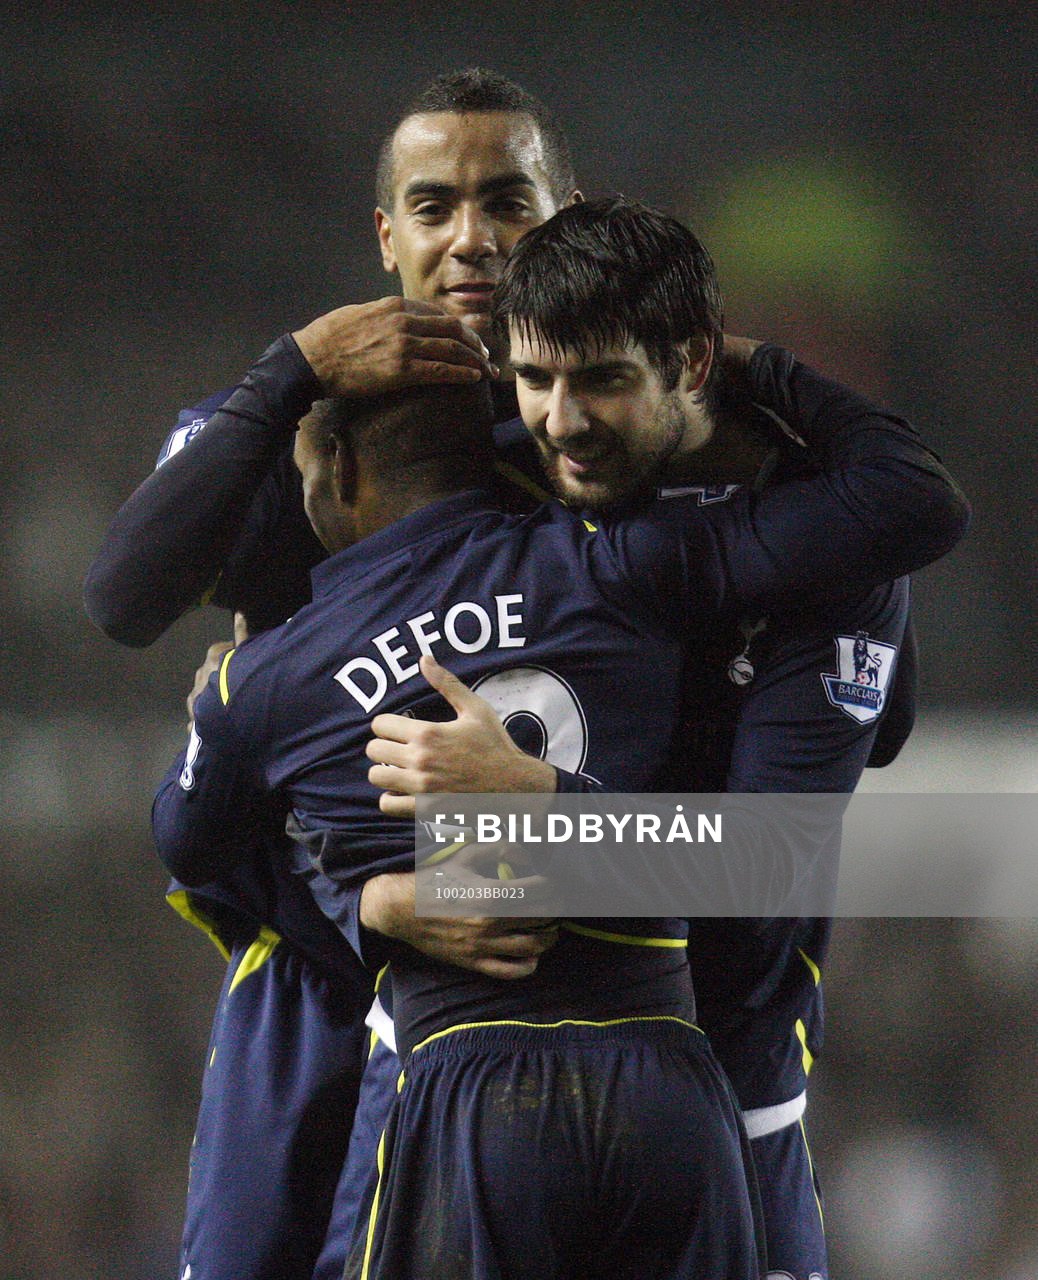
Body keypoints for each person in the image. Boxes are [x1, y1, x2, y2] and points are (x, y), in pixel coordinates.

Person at [83, 74, 963, 1280]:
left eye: (507, 201)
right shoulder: (338, 431)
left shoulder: (697, 473)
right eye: (433, 206)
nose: (472, 239)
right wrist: (290, 367)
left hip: (691, 1025)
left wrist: (499, 831)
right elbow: (126, 597)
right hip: (374, 1018)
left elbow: (797, 821)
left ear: (567, 219)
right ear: (385, 236)